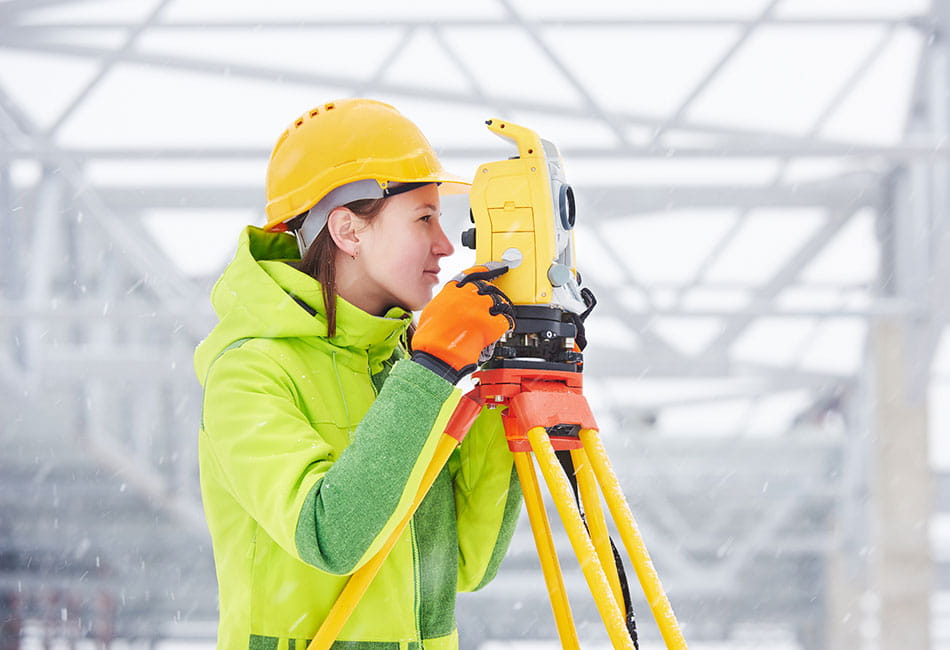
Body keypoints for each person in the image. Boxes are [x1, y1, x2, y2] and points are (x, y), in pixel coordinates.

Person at [194, 98, 523, 650]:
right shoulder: (249, 371)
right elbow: (330, 537)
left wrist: (505, 387)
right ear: (348, 230)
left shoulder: (405, 367)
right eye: (424, 217)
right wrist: (435, 367)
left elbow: (469, 563)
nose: (446, 245)